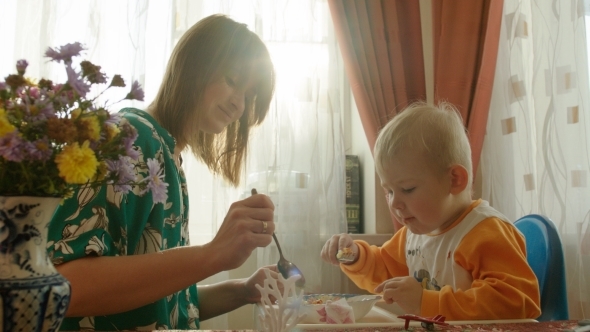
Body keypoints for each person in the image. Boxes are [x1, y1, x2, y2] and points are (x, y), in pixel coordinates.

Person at [47, 14, 280, 330]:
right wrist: (213, 254)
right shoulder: (129, 141)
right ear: (193, 65)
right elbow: (64, 289)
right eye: (232, 80)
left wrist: (239, 291)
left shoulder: (165, 152)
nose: (239, 105)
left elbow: (159, 300)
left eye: (249, 97)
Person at [321, 102, 541, 320]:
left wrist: (424, 302)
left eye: (407, 189)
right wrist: (353, 256)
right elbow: (384, 272)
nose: (395, 203)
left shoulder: (487, 232)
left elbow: (514, 303)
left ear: (454, 180)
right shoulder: (413, 235)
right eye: (388, 191)